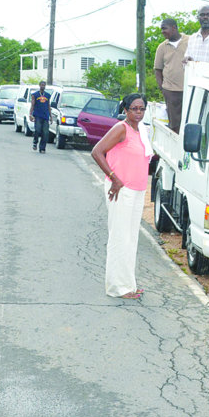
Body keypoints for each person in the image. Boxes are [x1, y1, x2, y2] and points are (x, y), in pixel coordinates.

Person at [90, 93, 154, 299]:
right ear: (125, 110)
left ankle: (128, 284)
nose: (138, 112)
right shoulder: (121, 129)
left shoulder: (141, 131)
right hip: (121, 190)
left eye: (141, 109)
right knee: (119, 238)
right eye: (134, 108)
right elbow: (97, 151)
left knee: (131, 239)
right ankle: (117, 287)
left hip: (137, 191)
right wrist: (113, 178)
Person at [154, 19, 189, 133]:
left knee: (189, 120)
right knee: (175, 124)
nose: (162, 31)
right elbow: (158, 69)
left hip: (189, 89)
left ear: (174, 27)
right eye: (161, 29)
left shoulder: (190, 41)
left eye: (165, 28)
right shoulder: (162, 47)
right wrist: (163, 88)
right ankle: (176, 148)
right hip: (171, 90)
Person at [29, 80, 51, 154]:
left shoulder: (47, 95)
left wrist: (50, 116)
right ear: (39, 85)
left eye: (44, 85)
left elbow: (48, 106)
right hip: (38, 115)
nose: (43, 86)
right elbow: (32, 105)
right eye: (42, 85)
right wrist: (30, 114)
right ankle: (35, 142)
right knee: (37, 130)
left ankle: (42, 148)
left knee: (45, 133)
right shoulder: (35, 95)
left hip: (45, 116)